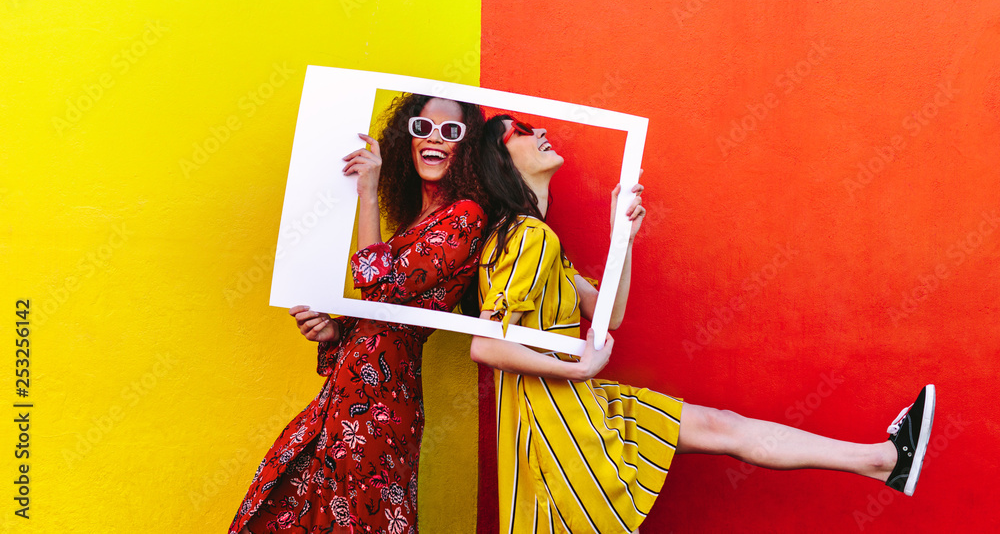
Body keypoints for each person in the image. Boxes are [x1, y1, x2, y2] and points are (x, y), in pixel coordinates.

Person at [469, 114, 935, 533]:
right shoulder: (528, 236)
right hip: (559, 422)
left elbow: (609, 314)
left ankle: (884, 460)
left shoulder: (540, 240)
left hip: (573, 409)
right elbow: (485, 347)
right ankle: (882, 460)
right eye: (522, 132)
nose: (542, 133)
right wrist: (581, 369)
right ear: (501, 163)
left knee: (721, 426)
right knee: (721, 429)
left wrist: (622, 239)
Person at [230, 94, 488, 534]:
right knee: (288, 508)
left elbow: (380, 286)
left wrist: (367, 192)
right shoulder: (415, 221)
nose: (436, 139)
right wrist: (333, 332)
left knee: (363, 520)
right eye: (423, 128)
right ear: (407, 140)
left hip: (384, 401)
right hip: (346, 391)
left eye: (452, 132)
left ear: (467, 147)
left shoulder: (466, 216)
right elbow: (379, 308)